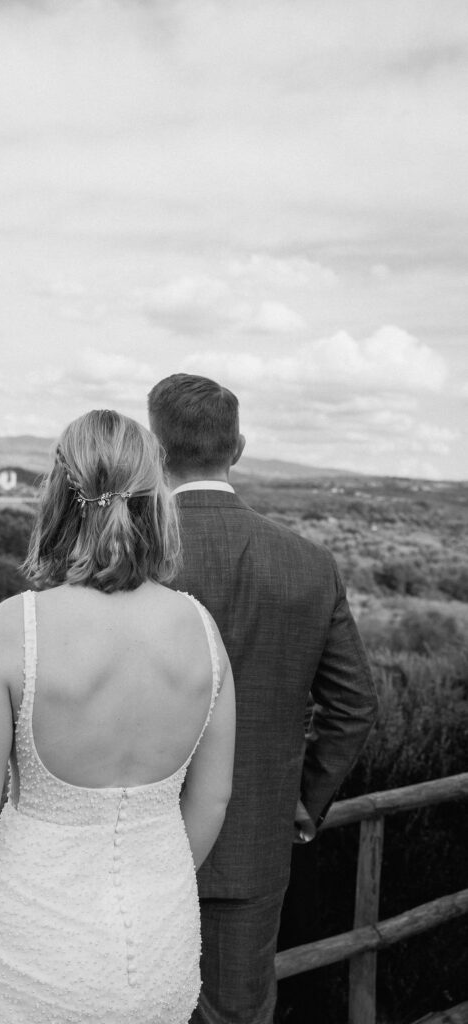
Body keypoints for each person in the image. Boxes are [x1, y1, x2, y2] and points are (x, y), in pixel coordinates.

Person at [0, 409, 236, 1024]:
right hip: (158, 952)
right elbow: (209, 804)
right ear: (157, 501)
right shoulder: (201, 631)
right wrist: (155, 886)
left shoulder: (16, 627)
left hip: (31, 954)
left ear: (58, 495)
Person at [147, 374, 378, 1024]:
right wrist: (301, 799)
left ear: (156, 452)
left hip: (129, 844)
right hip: (253, 841)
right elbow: (354, 705)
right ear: (238, 448)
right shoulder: (307, 563)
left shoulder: (127, 559)